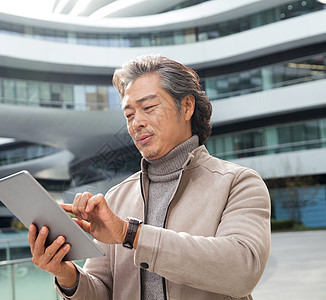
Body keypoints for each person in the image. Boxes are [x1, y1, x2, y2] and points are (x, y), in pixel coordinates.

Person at [28, 54, 271, 300]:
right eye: (129, 115)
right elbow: (102, 291)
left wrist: (130, 234)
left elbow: (242, 271)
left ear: (186, 106)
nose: (137, 123)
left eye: (148, 108)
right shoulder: (115, 197)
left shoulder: (238, 183)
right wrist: (67, 275)